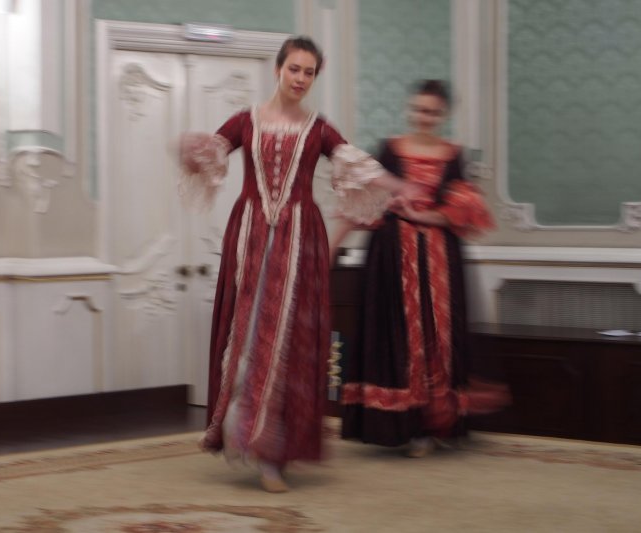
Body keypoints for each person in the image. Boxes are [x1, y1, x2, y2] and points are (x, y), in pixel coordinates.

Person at [179, 36, 415, 492]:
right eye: (294, 69)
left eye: (309, 72)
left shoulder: (319, 129)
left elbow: (359, 168)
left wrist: (400, 185)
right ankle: (244, 435)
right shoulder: (245, 121)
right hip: (250, 237)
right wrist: (188, 151)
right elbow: (209, 158)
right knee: (249, 334)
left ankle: (275, 454)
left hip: (301, 241)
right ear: (278, 69)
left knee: (289, 339)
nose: (301, 79)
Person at [330, 79, 508, 457]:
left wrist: (423, 216)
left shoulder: (453, 155)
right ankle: (404, 426)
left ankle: (435, 423)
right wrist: (334, 242)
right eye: (418, 110)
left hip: (440, 256)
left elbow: (462, 210)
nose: (423, 117)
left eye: (431, 112)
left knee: (438, 335)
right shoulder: (390, 150)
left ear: (443, 115)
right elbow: (367, 197)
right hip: (393, 256)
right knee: (398, 332)